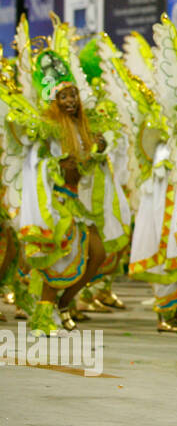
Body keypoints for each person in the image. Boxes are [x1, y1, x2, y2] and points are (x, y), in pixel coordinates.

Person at [6, 18, 129, 333]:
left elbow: (86, 165)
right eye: (65, 97)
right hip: (55, 201)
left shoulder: (82, 128)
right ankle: (45, 312)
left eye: (74, 95)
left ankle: (63, 304)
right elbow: (37, 162)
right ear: (53, 101)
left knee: (98, 255)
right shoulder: (46, 129)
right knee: (59, 257)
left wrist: (98, 150)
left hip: (77, 201)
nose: (71, 101)